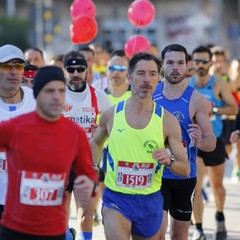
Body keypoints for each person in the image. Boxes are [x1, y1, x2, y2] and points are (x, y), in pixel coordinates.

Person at [90, 52, 190, 240]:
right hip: (116, 199)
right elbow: (96, 142)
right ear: (129, 77)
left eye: (153, 74)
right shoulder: (111, 115)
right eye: (141, 73)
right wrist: (93, 167)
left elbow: (185, 169)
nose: (147, 80)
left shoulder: (167, 121)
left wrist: (169, 161)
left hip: (150, 201)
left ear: (159, 78)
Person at [0, 65, 98, 240]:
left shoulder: (75, 134)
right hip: (15, 228)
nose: (56, 96)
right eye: (49, 91)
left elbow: (88, 175)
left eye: (61, 91)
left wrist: (88, 187)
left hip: (53, 230)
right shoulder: (15, 127)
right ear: (36, 94)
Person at [153, 44, 216, 240]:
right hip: (155, 176)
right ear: (163, 65)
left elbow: (211, 142)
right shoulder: (150, 95)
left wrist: (198, 142)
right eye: (170, 62)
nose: (175, 67)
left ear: (187, 65)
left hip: (184, 176)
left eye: (180, 62)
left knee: (179, 235)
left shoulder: (197, 100)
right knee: (158, 231)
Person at [189, 45, 238, 240]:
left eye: (204, 61)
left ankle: (219, 215)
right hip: (195, 143)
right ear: (193, 63)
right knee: (196, 186)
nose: (200, 65)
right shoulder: (188, 84)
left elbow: (233, 109)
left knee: (217, 186)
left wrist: (213, 110)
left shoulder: (218, 84)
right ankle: (199, 229)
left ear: (210, 63)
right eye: (197, 61)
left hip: (215, 140)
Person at [62, 50, 112, 240]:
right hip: (62, 163)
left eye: (80, 69)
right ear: (64, 72)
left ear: (87, 71)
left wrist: (98, 147)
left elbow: (111, 127)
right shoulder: (57, 94)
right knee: (62, 214)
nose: (76, 74)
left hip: (87, 163)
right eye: (71, 69)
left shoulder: (99, 96)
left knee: (86, 214)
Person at [0, 44, 36, 222]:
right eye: (7, 66)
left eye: (19, 65)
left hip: (29, 199)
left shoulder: (37, 100)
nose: (14, 71)